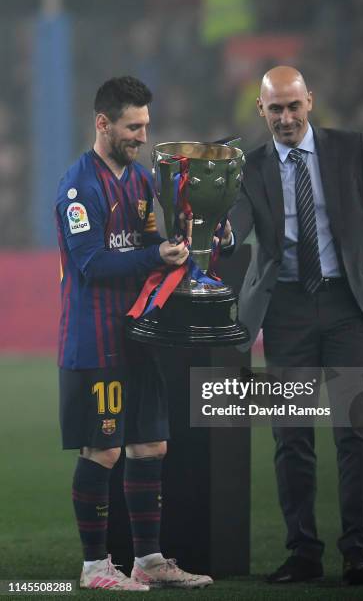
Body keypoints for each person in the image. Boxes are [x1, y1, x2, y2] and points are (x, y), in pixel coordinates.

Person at [223, 66, 363, 585]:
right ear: (260, 111)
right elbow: (235, 226)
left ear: (310, 101)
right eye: (275, 109)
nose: (285, 117)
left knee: (353, 429)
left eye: (293, 106)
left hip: (348, 307)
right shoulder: (251, 167)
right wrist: (213, 230)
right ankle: (303, 553)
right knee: (292, 436)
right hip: (285, 312)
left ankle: (358, 550)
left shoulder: (350, 149)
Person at [55, 76, 213, 591]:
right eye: (132, 126)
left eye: (146, 125)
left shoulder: (142, 181)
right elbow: (90, 264)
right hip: (96, 339)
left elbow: (154, 245)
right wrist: (153, 255)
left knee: (151, 446)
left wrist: (199, 240)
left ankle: (148, 559)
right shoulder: (80, 187)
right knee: (102, 451)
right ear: (102, 123)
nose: (143, 136)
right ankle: (94, 567)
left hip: (139, 337)